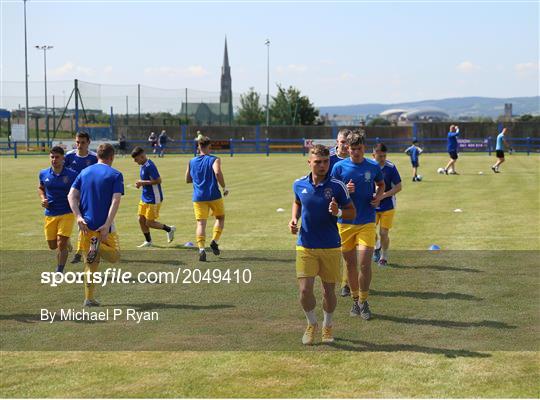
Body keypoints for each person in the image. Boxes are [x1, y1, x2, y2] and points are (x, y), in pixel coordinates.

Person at [289, 144, 355, 345]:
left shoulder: (337, 186)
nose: (323, 166)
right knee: (304, 291)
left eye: (326, 162)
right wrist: (293, 219)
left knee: (328, 292)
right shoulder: (299, 184)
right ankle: (311, 323)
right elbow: (298, 202)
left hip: (330, 246)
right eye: (318, 162)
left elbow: (352, 212)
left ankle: (327, 325)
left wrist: (339, 213)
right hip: (306, 245)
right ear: (309, 162)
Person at [331, 130, 385, 320]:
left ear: (364, 148)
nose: (355, 153)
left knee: (364, 263)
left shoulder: (373, 166)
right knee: (350, 264)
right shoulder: (338, 167)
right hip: (345, 223)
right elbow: (331, 193)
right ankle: (355, 300)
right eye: (352, 149)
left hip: (366, 221)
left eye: (359, 149)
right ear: (348, 148)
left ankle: (364, 300)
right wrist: (345, 189)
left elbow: (381, 184)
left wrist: (378, 197)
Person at [68, 143, 124, 307]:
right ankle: (98, 246)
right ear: (111, 157)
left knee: (91, 266)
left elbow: (71, 196)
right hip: (104, 227)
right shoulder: (115, 174)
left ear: (97, 156)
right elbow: (116, 200)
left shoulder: (84, 172)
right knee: (114, 257)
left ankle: (89, 298)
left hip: (86, 227)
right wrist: (107, 224)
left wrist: (78, 217)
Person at [185, 135, 228, 261]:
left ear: (198, 147)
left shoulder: (191, 161)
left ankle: (201, 249)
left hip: (198, 197)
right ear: (209, 146)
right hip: (214, 195)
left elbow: (187, 179)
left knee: (201, 223)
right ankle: (214, 241)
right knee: (220, 218)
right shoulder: (214, 159)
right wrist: (224, 187)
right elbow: (217, 172)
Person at [38, 146, 78, 273]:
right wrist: (43, 198)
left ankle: (59, 270)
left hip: (67, 212)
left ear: (63, 159)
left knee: (61, 244)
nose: (54, 159)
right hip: (50, 213)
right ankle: (67, 241)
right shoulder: (43, 173)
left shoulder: (72, 175)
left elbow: (78, 191)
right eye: (52, 157)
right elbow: (41, 188)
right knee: (52, 245)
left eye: (57, 157)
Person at [131, 146, 176, 247]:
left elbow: (158, 180)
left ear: (142, 156)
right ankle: (148, 241)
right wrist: (140, 183)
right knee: (140, 219)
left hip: (154, 198)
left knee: (149, 223)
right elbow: (147, 179)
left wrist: (142, 182)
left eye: (136, 159)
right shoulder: (142, 165)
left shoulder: (150, 166)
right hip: (145, 197)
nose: (135, 161)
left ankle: (169, 229)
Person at [65, 131, 98, 264]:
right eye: (78, 142)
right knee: (72, 222)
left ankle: (80, 252)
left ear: (88, 143)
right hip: (72, 195)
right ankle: (75, 246)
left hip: (88, 196)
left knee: (83, 223)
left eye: (83, 142)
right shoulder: (69, 156)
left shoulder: (94, 158)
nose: (79, 145)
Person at [372, 143, 402, 266]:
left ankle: (384, 256)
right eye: (380, 156)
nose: (383, 158)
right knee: (368, 230)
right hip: (371, 205)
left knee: (384, 233)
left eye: (384, 156)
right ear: (374, 155)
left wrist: (383, 195)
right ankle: (376, 245)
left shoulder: (391, 167)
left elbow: (399, 187)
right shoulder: (368, 166)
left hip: (388, 205)